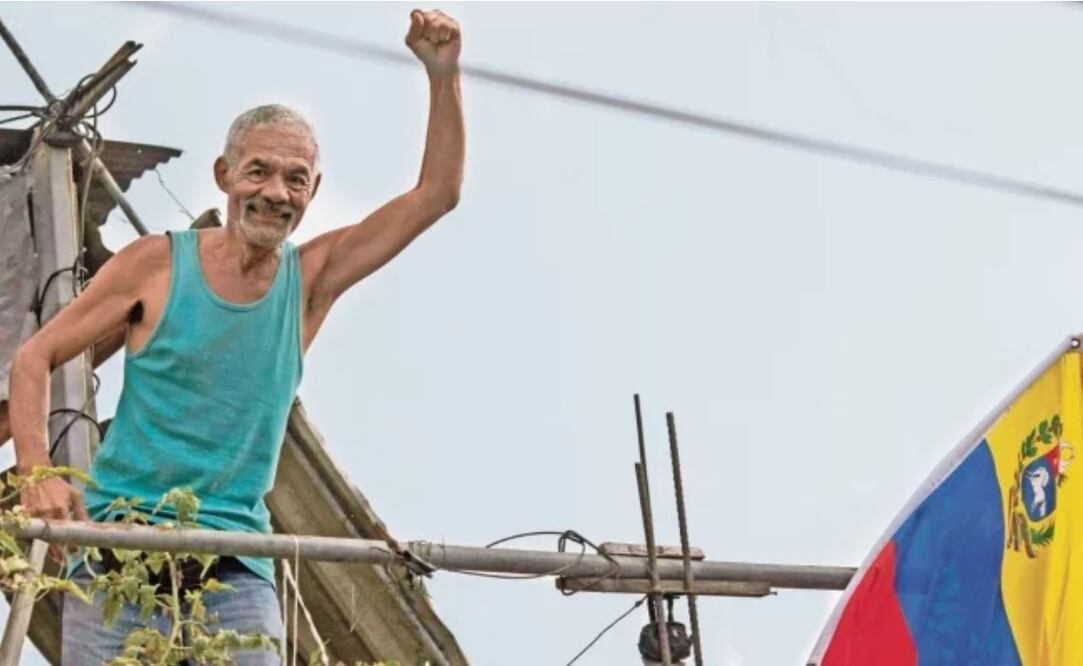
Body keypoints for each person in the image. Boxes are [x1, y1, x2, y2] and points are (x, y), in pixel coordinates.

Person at [7, 8, 464, 664]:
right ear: (225, 176)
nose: (274, 192)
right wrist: (35, 476)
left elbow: (435, 195)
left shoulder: (308, 281)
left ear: (313, 192)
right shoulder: (158, 264)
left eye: (294, 179)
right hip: (116, 551)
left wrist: (443, 75)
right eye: (258, 172)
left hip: (234, 569)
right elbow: (35, 357)